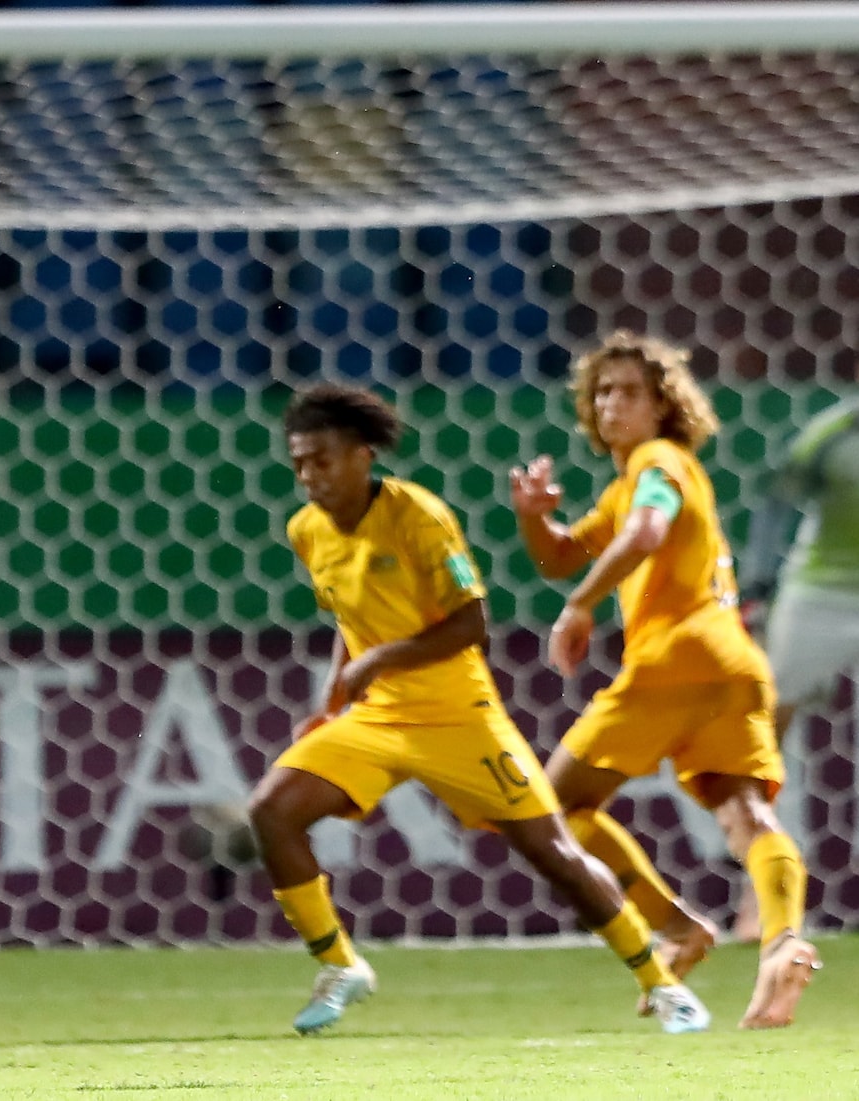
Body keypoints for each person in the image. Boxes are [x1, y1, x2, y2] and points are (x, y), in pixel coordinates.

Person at [249, 382, 709, 1036]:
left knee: (554, 853)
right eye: (298, 462)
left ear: (362, 456)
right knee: (272, 812)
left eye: (321, 459)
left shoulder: (418, 514)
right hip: (377, 719)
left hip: (459, 716)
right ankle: (340, 964)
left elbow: (471, 625)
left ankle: (662, 986)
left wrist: (376, 662)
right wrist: (333, 696)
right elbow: (348, 622)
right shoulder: (307, 530)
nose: (307, 475)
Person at [510, 332, 819, 1030]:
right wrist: (535, 518)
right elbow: (562, 554)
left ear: (664, 405)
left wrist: (584, 604)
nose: (612, 402)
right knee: (745, 812)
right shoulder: (633, 482)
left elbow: (645, 533)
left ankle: (678, 927)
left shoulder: (658, 463)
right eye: (602, 391)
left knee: (555, 809)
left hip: (673, 659)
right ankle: (783, 941)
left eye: (630, 391)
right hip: (733, 660)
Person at [730, 394, 859, 939]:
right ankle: (760, 901)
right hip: (818, 595)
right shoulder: (832, 433)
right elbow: (778, 503)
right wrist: (757, 583)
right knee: (766, 735)